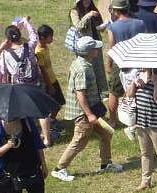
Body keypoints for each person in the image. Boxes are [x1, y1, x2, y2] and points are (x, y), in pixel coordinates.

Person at [51, 32, 121, 180]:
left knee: (106, 134)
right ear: (89, 52)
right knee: (79, 140)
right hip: (84, 112)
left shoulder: (81, 63)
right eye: (95, 48)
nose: (97, 50)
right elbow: (80, 94)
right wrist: (89, 115)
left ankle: (106, 163)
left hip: (91, 109)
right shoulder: (83, 69)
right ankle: (59, 168)